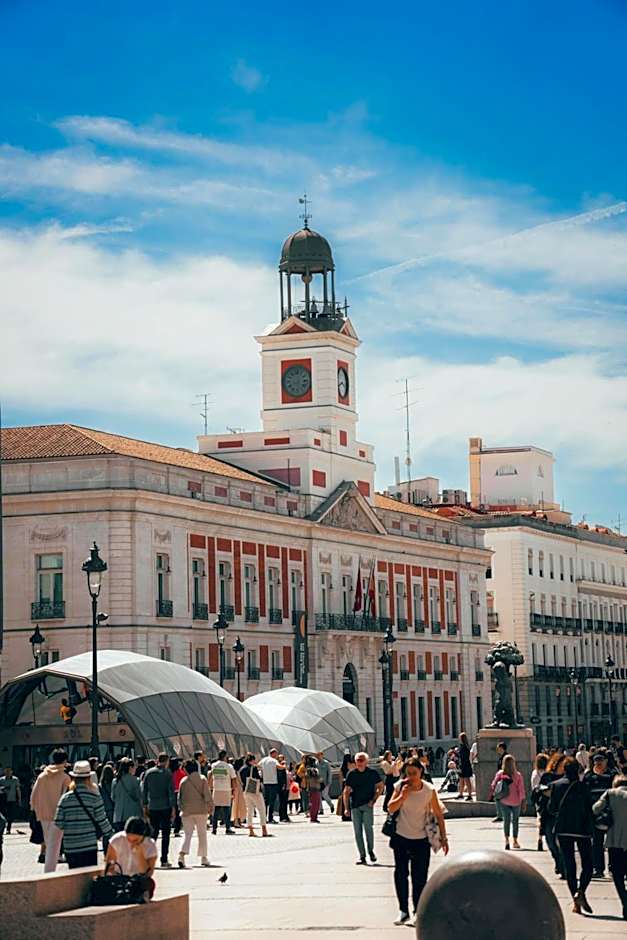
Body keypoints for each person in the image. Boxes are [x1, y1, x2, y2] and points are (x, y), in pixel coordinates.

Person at [388, 756, 449, 925]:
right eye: (408, 774)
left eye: (414, 773)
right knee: (401, 874)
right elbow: (391, 807)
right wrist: (402, 796)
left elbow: (438, 814)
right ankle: (403, 911)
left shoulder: (429, 790)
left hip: (421, 839)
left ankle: (418, 911)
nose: (411, 777)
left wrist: (443, 838)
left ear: (421, 772)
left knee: (419, 876)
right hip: (401, 837)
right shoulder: (400, 786)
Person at [549, 757, 594, 915]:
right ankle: (581, 891)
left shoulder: (556, 786)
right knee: (588, 864)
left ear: (564, 770)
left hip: (563, 829)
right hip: (582, 830)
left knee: (569, 865)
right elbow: (590, 809)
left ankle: (576, 901)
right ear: (578, 771)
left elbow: (551, 809)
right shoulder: (584, 787)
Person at [54, 759, 113, 868]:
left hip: (70, 847)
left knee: (74, 878)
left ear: (73, 778)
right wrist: (112, 835)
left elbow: (58, 825)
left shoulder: (65, 799)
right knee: (87, 880)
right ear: (89, 778)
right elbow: (102, 821)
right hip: (88, 846)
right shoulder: (94, 797)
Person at [30, 748, 70, 872]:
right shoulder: (65, 777)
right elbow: (66, 797)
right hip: (58, 815)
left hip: (43, 815)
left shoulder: (42, 776)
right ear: (65, 760)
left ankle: (49, 872)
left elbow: (33, 796)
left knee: (49, 843)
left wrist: (35, 809)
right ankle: (49, 874)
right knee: (55, 846)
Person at [593, 773, 627, 919]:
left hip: (615, 842)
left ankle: (625, 902)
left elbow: (595, 809)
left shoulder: (610, 794)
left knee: (618, 875)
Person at [343, 752, 384, 865]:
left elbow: (381, 786)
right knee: (357, 832)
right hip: (355, 806)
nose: (359, 763)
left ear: (366, 762)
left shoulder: (372, 773)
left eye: (362, 760)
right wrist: (346, 808)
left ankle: (370, 851)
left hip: (367, 805)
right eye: (358, 760)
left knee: (368, 829)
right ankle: (362, 856)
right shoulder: (351, 774)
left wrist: (374, 799)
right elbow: (346, 791)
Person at [105, 816, 157, 901]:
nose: (131, 842)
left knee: (148, 883)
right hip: (119, 879)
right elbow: (109, 867)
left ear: (143, 835)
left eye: (135, 840)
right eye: (128, 839)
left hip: (138, 882)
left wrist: (139, 854)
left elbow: (148, 873)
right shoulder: (116, 840)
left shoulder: (150, 845)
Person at [583, 750, 615, 879]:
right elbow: (585, 794)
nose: (599, 763)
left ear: (606, 761)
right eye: (596, 760)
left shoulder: (612, 775)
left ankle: (613, 868)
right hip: (594, 814)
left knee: (612, 843)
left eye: (601, 760)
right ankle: (598, 868)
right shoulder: (589, 776)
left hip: (611, 814)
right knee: (596, 843)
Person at [141, 752, 175, 868]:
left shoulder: (148, 773)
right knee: (166, 834)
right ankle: (164, 859)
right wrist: (173, 808)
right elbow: (171, 792)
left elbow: (144, 791)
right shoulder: (167, 774)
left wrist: (145, 806)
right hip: (165, 806)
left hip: (153, 806)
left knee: (153, 833)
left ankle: (147, 857)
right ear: (166, 761)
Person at [177, 759, 212, 868]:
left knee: (187, 834)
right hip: (201, 811)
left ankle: (181, 855)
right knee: (202, 834)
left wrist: (182, 808)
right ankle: (203, 857)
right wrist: (211, 807)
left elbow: (180, 798)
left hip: (187, 812)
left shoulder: (183, 781)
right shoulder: (202, 779)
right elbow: (207, 795)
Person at [489, 754, 525, 850]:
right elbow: (521, 790)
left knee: (506, 820)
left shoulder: (500, 774)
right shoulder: (518, 775)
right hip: (516, 801)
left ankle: (506, 841)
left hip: (504, 800)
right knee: (515, 821)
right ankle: (515, 841)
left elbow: (493, 785)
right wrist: (523, 801)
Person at [240, 753, 269, 837]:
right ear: (252, 760)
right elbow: (259, 779)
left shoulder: (242, 769)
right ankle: (264, 829)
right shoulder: (254, 768)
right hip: (255, 791)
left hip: (246, 791)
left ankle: (251, 830)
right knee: (261, 809)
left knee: (249, 810)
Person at [111, 758, 142, 831]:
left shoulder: (115, 781)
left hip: (119, 815)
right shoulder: (136, 780)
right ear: (130, 768)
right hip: (134, 814)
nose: (135, 769)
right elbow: (140, 797)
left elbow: (113, 797)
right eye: (134, 767)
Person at [211, 750, 236, 835]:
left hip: (216, 789)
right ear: (225, 757)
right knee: (226, 810)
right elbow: (233, 779)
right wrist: (234, 790)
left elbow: (211, 776)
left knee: (216, 810)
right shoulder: (229, 766)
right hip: (226, 789)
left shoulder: (213, 765)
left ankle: (214, 829)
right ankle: (227, 828)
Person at [530, 753, 550, 852]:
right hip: (548, 798)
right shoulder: (548, 773)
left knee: (539, 817)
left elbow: (533, 787)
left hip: (538, 799)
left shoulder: (534, 773)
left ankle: (539, 838)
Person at [259, 749, 280, 824]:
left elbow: (258, 766)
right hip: (273, 782)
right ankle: (270, 818)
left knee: (265, 801)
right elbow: (279, 767)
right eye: (276, 754)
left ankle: (264, 817)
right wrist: (284, 765)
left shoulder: (263, 760)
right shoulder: (274, 760)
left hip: (265, 782)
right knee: (272, 801)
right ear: (273, 754)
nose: (277, 756)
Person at [0, 767, 21, 834]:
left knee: (10, 815)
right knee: (3, 814)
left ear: (12, 772)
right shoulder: (1, 779)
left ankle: (8, 829)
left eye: (9, 771)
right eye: (6, 771)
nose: (8, 773)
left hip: (12, 799)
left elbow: (18, 789)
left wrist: (19, 799)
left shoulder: (15, 779)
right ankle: (2, 827)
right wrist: (3, 788)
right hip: (3, 800)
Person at [491, 742, 507, 822]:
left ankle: (500, 815)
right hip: (502, 780)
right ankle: (502, 815)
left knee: (498, 797)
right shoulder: (502, 757)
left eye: (499, 748)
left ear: (502, 748)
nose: (498, 750)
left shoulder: (505, 758)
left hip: (504, 781)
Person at [170, 757, 186, 836]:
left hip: (169, 793)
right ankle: (176, 829)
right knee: (177, 811)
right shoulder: (180, 772)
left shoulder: (168, 772)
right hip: (178, 793)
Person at [338, 752, 356, 820]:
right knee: (351, 799)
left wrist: (341, 786)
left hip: (344, 784)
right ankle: (351, 814)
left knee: (345, 799)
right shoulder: (352, 765)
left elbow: (340, 777)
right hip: (351, 783)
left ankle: (345, 815)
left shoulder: (342, 767)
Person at [305, 755, 322, 823]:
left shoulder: (308, 769)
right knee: (315, 803)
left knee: (313, 803)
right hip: (314, 787)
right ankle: (313, 817)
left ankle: (314, 816)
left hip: (311, 787)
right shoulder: (313, 770)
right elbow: (318, 778)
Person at [231, 757, 247, 828]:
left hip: (239, 791)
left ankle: (239, 821)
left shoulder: (237, 771)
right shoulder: (235, 772)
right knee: (236, 807)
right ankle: (236, 821)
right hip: (237, 791)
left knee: (240, 806)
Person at [458, 733, 474, 801]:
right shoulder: (464, 746)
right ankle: (461, 794)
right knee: (461, 780)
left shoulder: (464, 747)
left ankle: (470, 795)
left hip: (465, 765)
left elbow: (463, 757)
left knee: (467, 780)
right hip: (463, 765)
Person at [276, 753, 290, 822]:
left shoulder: (285, 767)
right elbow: (281, 778)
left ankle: (285, 815)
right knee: (282, 802)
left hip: (287, 787)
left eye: (282, 758)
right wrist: (283, 785)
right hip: (283, 787)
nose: (282, 759)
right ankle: (282, 816)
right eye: (280, 758)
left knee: (285, 802)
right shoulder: (279, 768)